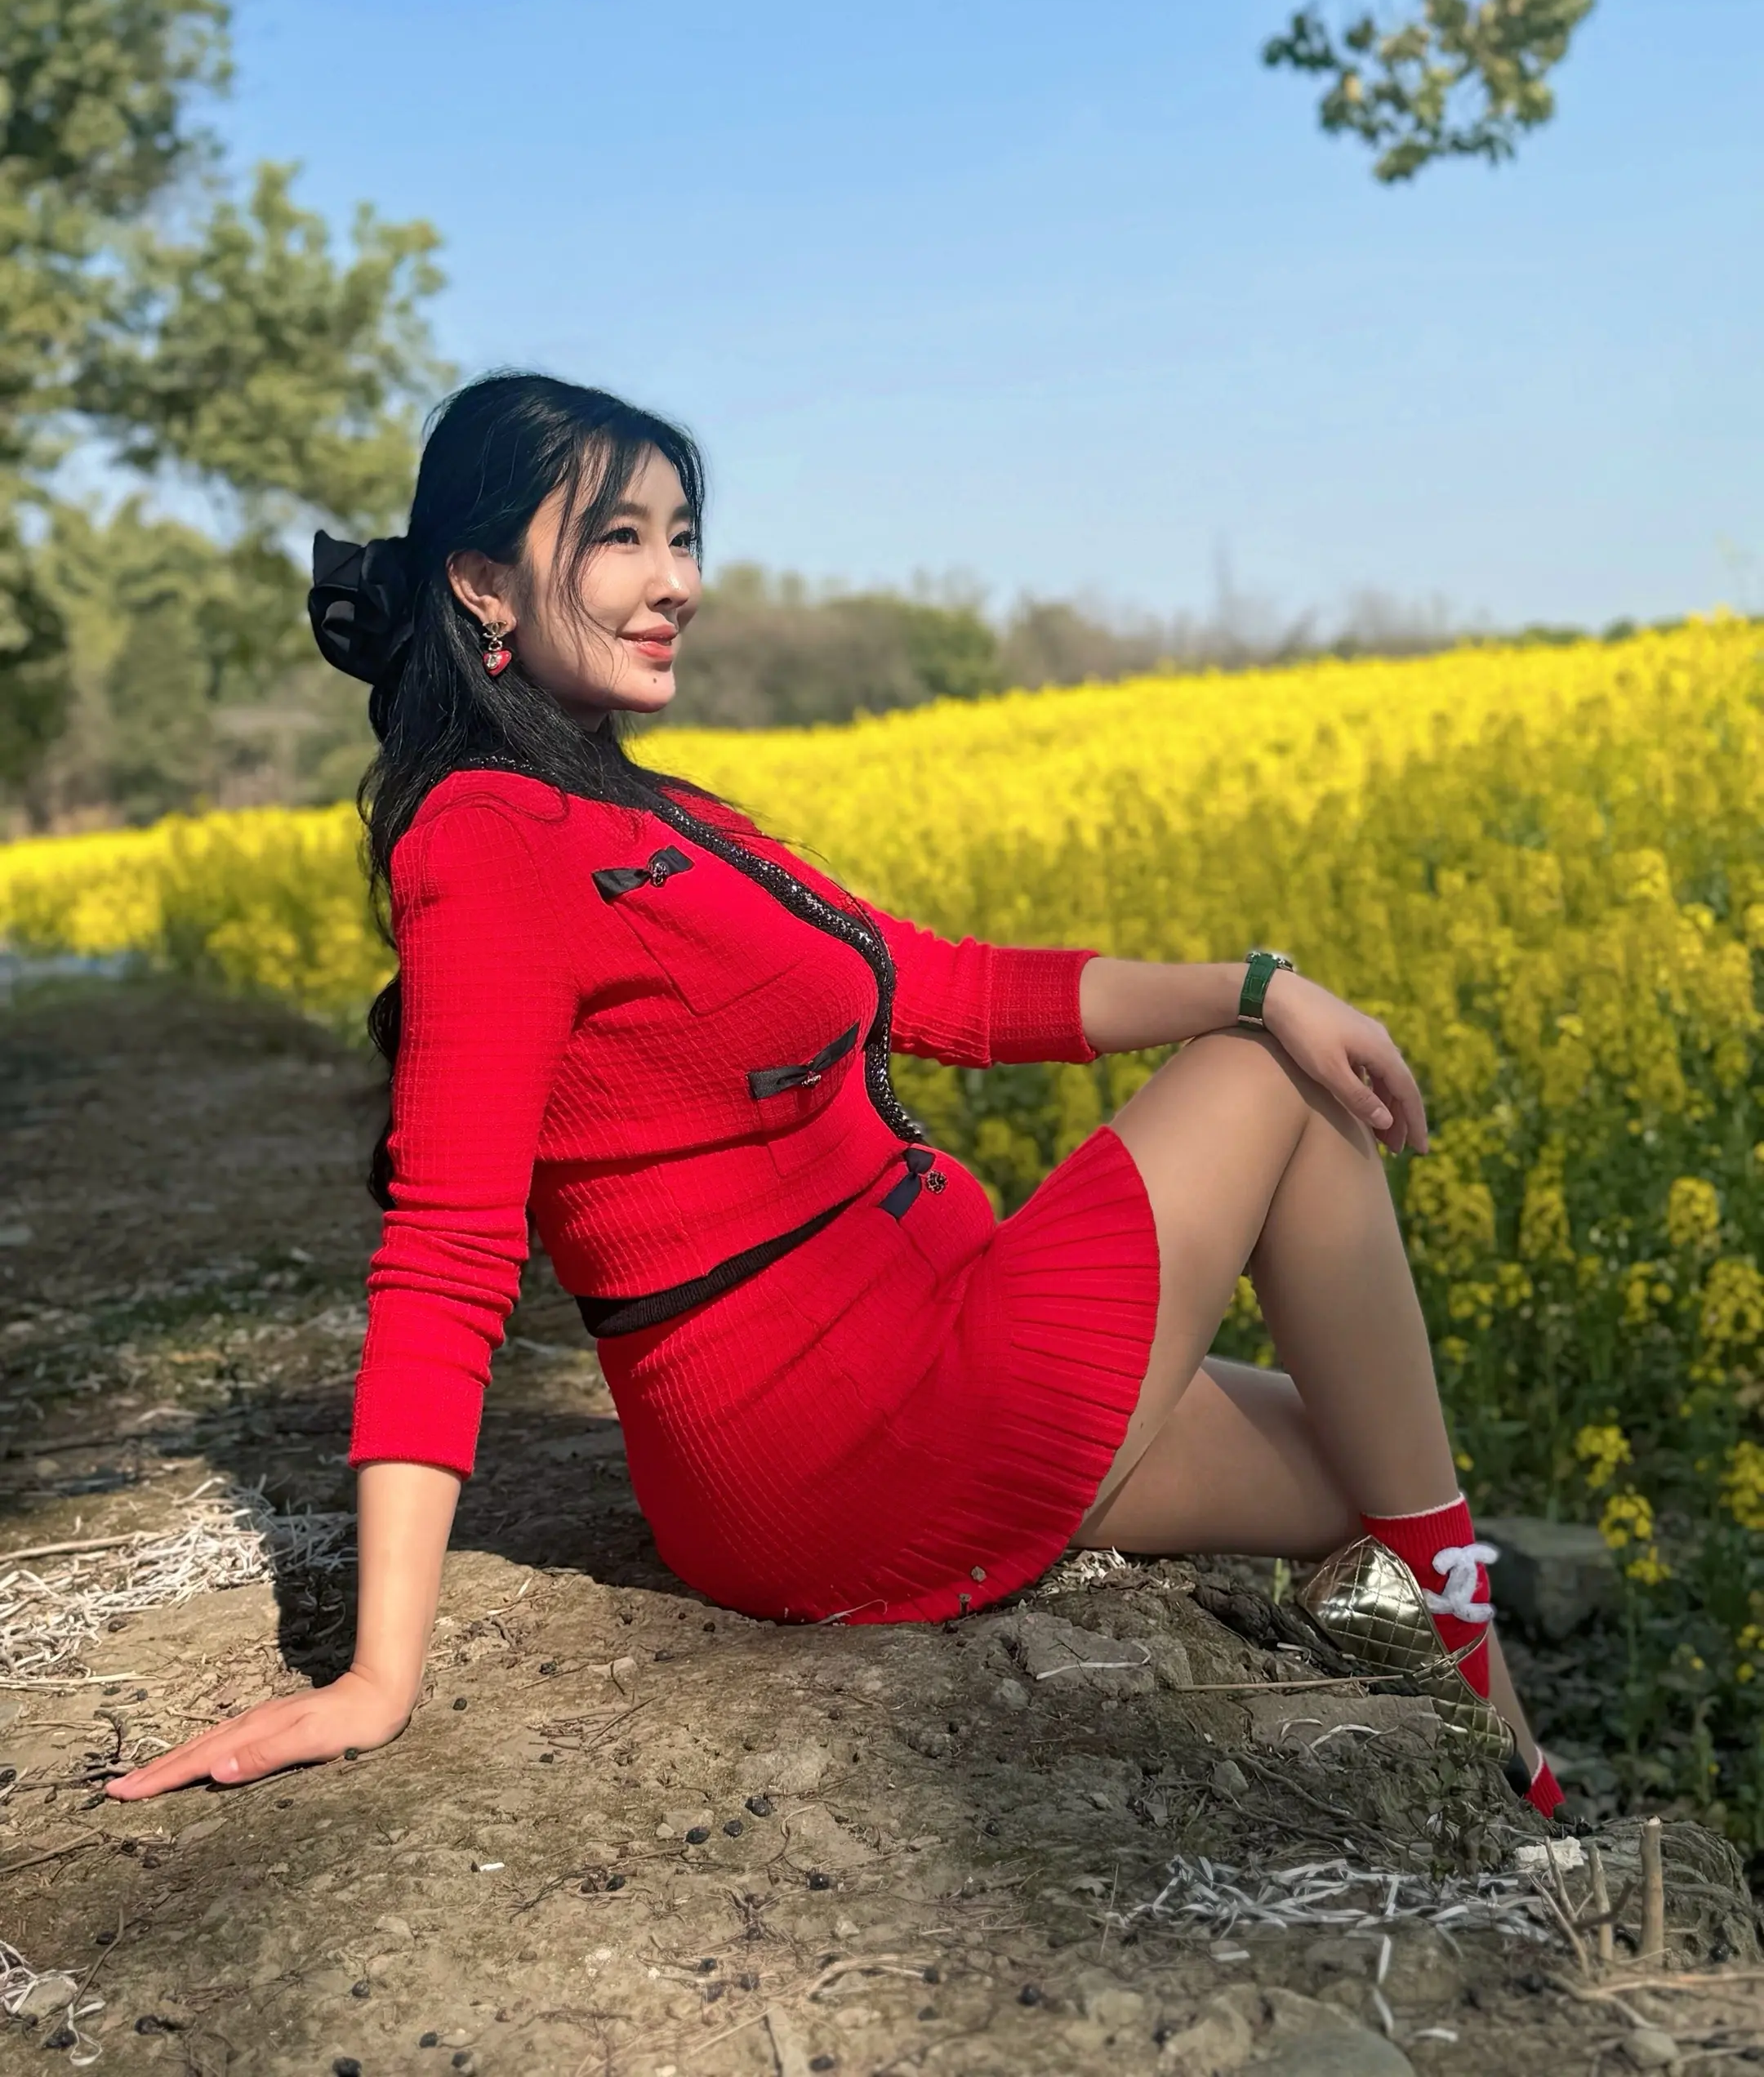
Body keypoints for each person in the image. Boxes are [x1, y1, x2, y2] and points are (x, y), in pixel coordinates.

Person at [109, 372, 1561, 1817]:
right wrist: (377, 1677)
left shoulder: (656, 812)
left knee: (1365, 1459)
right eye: (619, 538)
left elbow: (945, 987)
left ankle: (1470, 1726)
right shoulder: (486, 838)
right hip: (845, 1440)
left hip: (935, 1341)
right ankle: (1507, 1735)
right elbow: (446, 1252)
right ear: (482, 583)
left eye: (684, 537)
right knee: (1273, 1082)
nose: (676, 583)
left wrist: (1251, 978)